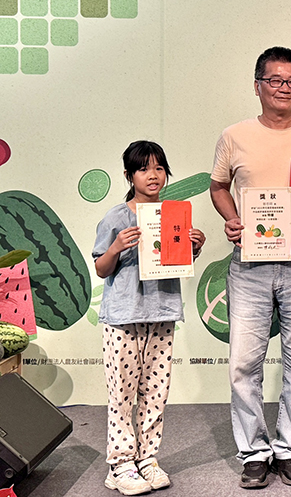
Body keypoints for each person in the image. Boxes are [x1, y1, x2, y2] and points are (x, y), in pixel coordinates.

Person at [209, 46, 291, 489]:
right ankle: (253, 452)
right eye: (276, 80)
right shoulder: (234, 135)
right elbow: (218, 186)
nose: (285, 88)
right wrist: (232, 218)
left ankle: (289, 449)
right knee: (244, 364)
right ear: (257, 85)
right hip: (249, 267)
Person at [94, 140, 206, 495]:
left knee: (155, 392)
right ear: (130, 175)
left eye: (159, 168)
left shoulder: (173, 216)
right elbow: (101, 268)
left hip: (162, 312)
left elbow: (178, 260)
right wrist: (116, 247)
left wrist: (195, 246)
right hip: (123, 317)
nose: (152, 175)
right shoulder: (116, 217)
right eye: (143, 169)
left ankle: (147, 459)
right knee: (122, 393)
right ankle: (120, 464)